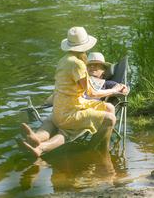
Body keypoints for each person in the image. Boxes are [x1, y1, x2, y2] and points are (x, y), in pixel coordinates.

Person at [19, 26, 126, 157]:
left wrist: (117, 88)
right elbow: (91, 93)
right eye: (90, 64)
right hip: (70, 112)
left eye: (96, 65)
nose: (92, 66)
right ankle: (92, 151)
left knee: (109, 107)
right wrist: (114, 90)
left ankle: (36, 138)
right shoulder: (78, 64)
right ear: (85, 47)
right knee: (109, 119)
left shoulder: (63, 61)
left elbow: (63, 89)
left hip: (60, 108)